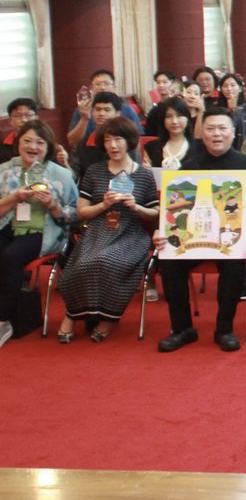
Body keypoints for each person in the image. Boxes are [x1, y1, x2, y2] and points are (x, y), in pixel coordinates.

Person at [153, 106, 246, 353]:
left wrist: (241, 223)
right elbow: (174, 207)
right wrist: (161, 229)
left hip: (233, 235)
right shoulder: (190, 167)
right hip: (194, 235)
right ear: (201, 133)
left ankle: (224, 329)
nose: (217, 134)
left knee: (233, 260)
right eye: (211, 128)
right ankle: (182, 328)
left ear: (233, 132)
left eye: (222, 128)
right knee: (169, 259)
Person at [55, 117, 159, 343]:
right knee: (80, 265)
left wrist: (136, 207)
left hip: (131, 233)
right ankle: (72, 314)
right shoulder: (94, 171)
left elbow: (157, 213)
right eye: (108, 140)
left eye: (118, 139)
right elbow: (81, 212)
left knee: (106, 261)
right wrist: (103, 204)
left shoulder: (143, 175)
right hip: (98, 230)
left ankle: (109, 318)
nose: (113, 145)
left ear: (129, 141)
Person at [0, 120, 77, 348]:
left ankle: (3, 320)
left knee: (10, 257)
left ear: (48, 147)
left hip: (45, 231)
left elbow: (74, 217)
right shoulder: (5, 171)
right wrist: (14, 198)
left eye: (40, 142)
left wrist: (53, 205)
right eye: (27, 141)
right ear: (18, 143)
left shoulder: (61, 175)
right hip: (8, 225)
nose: (33, 147)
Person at [73, 92, 142, 180]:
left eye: (107, 110)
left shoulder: (126, 143)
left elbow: (137, 173)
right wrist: (65, 164)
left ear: (117, 113)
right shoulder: (82, 144)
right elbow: (73, 175)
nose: (101, 114)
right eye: (98, 109)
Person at [65, 69, 142, 147]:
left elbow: (138, 138)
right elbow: (72, 141)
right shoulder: (82, 110)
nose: (102, 87)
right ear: (91, 88)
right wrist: (84, 119)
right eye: (98, 84)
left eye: (106, 83)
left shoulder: (127, 110)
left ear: (114, 87)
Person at [144, 96, 197, 170]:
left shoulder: (199, 147)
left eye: (179, 115)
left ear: (187, 118)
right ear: (163, 120)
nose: (174, 121)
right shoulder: (151, 148)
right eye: (169, 116)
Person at [1, 98, 38, 163]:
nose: (24, 120)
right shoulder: (2, 146)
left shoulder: (46, 141)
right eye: (18, 116)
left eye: (28, 115)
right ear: (10, 120)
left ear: (36, 118)